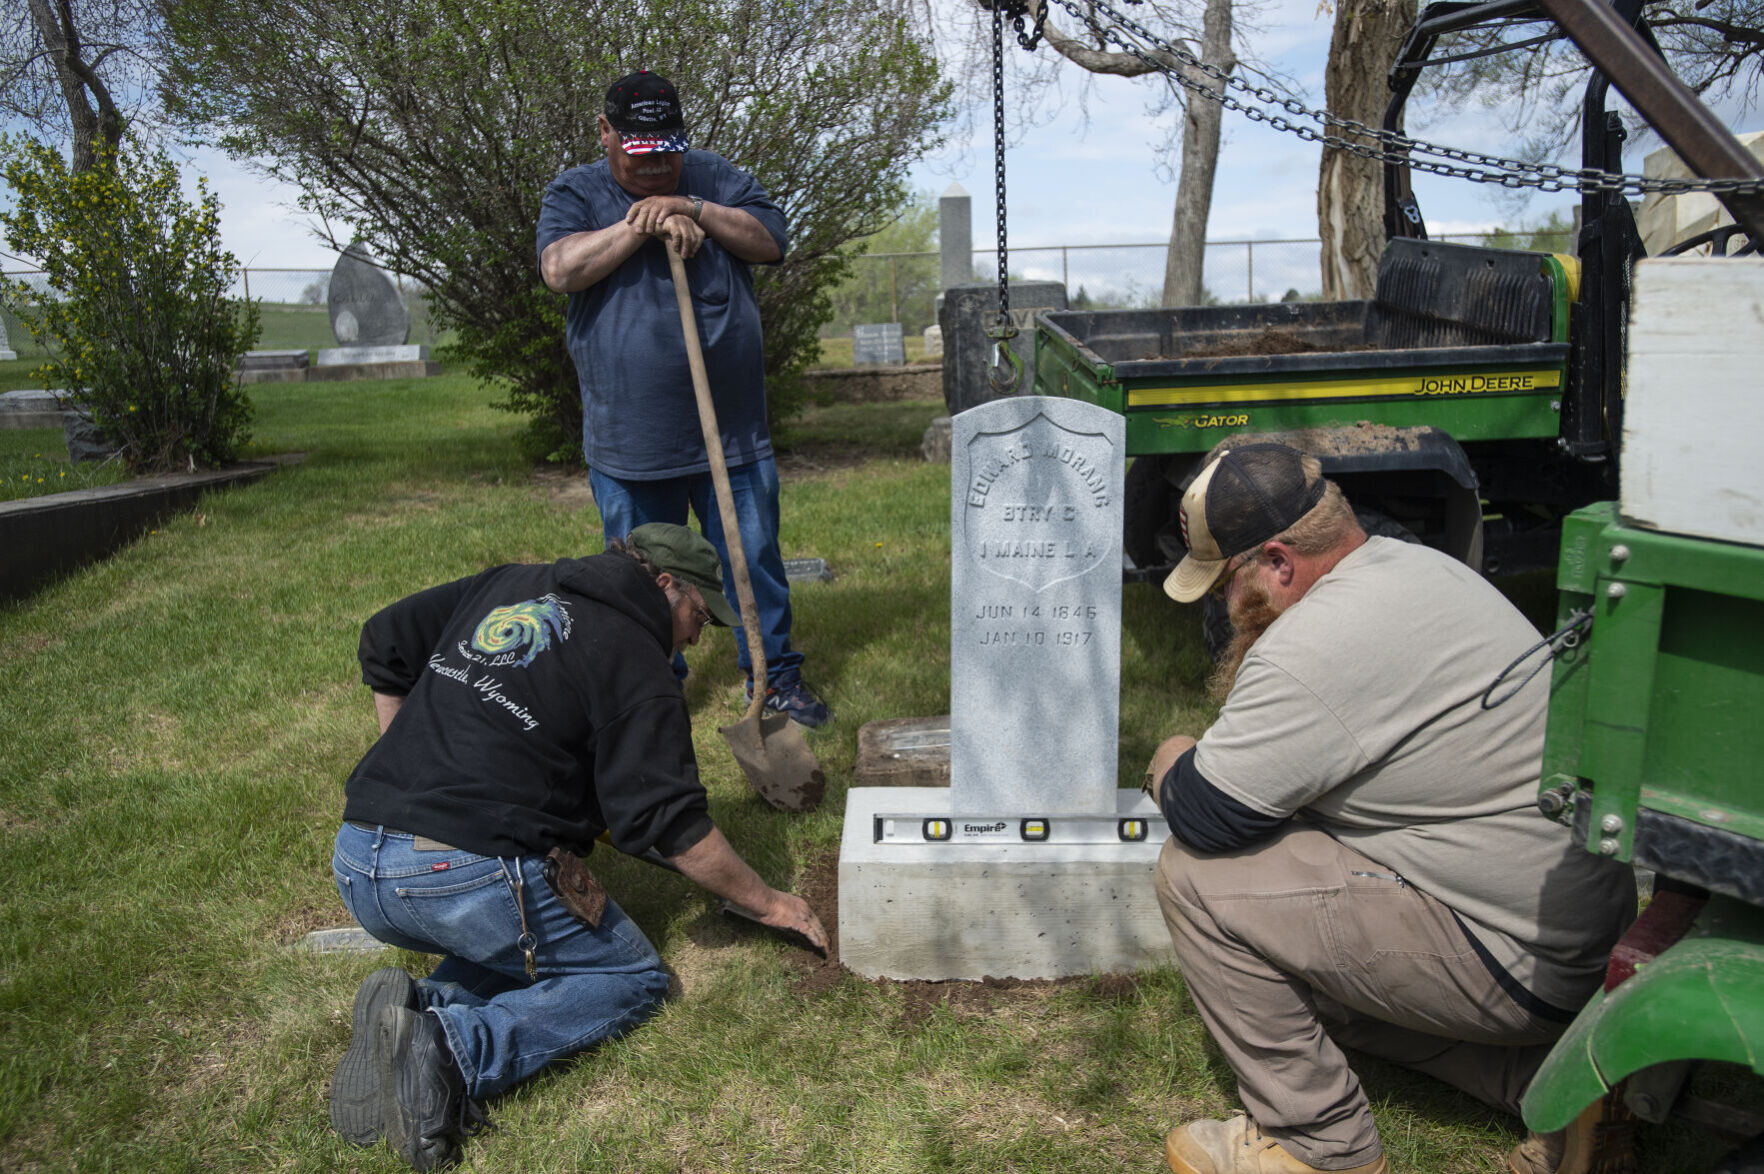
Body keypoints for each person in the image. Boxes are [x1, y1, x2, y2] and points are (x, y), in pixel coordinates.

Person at [1144, 443, 1635, 1174]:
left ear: (1278, 562)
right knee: (1306, 975)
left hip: (1517, 959)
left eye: (1224, 584)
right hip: (1575, 936)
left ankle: (1319, 1146)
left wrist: (1170, 757)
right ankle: (1554, 1090)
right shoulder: (1420, 567)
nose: (1221, 605)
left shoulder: (1310, 647)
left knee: (1196, 879)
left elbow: (1208, 813)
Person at [326, 523, 828, 1171]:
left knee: (531, 939)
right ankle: (451, 1051)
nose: (697, 637)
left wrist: (405, 775)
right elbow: (668, 824)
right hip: (460, 875)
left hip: (358, 858)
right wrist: (772, 905)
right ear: (665, 583)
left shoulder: (509, 583)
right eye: (699, 617)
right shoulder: (637, 665)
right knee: (630, 978)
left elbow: (385, 640)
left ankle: (413, 1009)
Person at [534, 69, 829, 728]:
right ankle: (653, 691)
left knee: (752, 559)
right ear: (605, 133)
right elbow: (560, 270)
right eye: (640, 153)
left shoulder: (714, 177)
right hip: (630, 442)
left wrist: (693, 209)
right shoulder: (577, 191)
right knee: (643, 577)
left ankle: (774, 679)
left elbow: (771, 241)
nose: (659, 165)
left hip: (733, 435)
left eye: (668, 150)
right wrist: (640, 225)